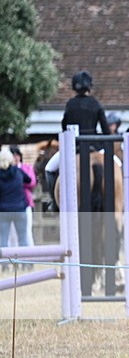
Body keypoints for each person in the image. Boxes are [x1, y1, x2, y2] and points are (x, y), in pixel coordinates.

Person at [43, 70, 110, 208]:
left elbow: (64, 126)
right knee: (118, 165)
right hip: (95, 147)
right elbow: (106, 130)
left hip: (74, 148)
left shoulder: (70, 104)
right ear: (89, 86)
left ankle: (53, 202)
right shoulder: (96, 104)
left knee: (49, 169)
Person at [0, 149, 31, 252]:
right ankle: (25, 260)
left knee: (3, 239)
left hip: (3, 211)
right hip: (19, 209)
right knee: (22, 238)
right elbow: (29, 180)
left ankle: (4, 261)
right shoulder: (18, 171)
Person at [9, 146, 37, 249]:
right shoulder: (7, 170)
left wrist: (18, 181)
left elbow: (32, 182)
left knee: (27, 231)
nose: (15, 157)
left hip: (25, 203)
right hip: (11, 205)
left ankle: (30, 254)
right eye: (13, 155)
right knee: (12, 235)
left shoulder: (27, 168)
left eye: (17, 155)